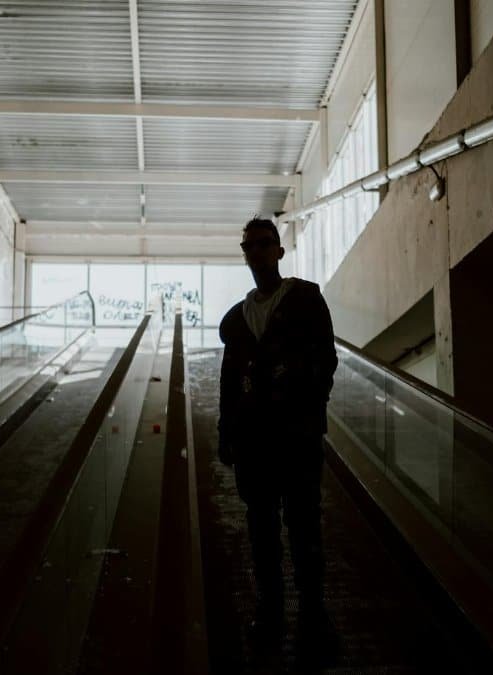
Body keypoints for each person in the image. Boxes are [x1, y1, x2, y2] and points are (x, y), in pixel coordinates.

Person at [217, 217, 339, 662]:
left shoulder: (305, 298)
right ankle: (272, 614)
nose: (258, 252)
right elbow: (229, 383)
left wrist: (304, 398)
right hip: (255, 444)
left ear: (280, 251)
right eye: (250, 246)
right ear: (245, 253)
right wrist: (225, 435)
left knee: (305, 529)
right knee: (262, 532)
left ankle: (312, 616)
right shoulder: (237, 320)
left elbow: (326, 359)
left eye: (266, 244)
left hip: (297, 437)